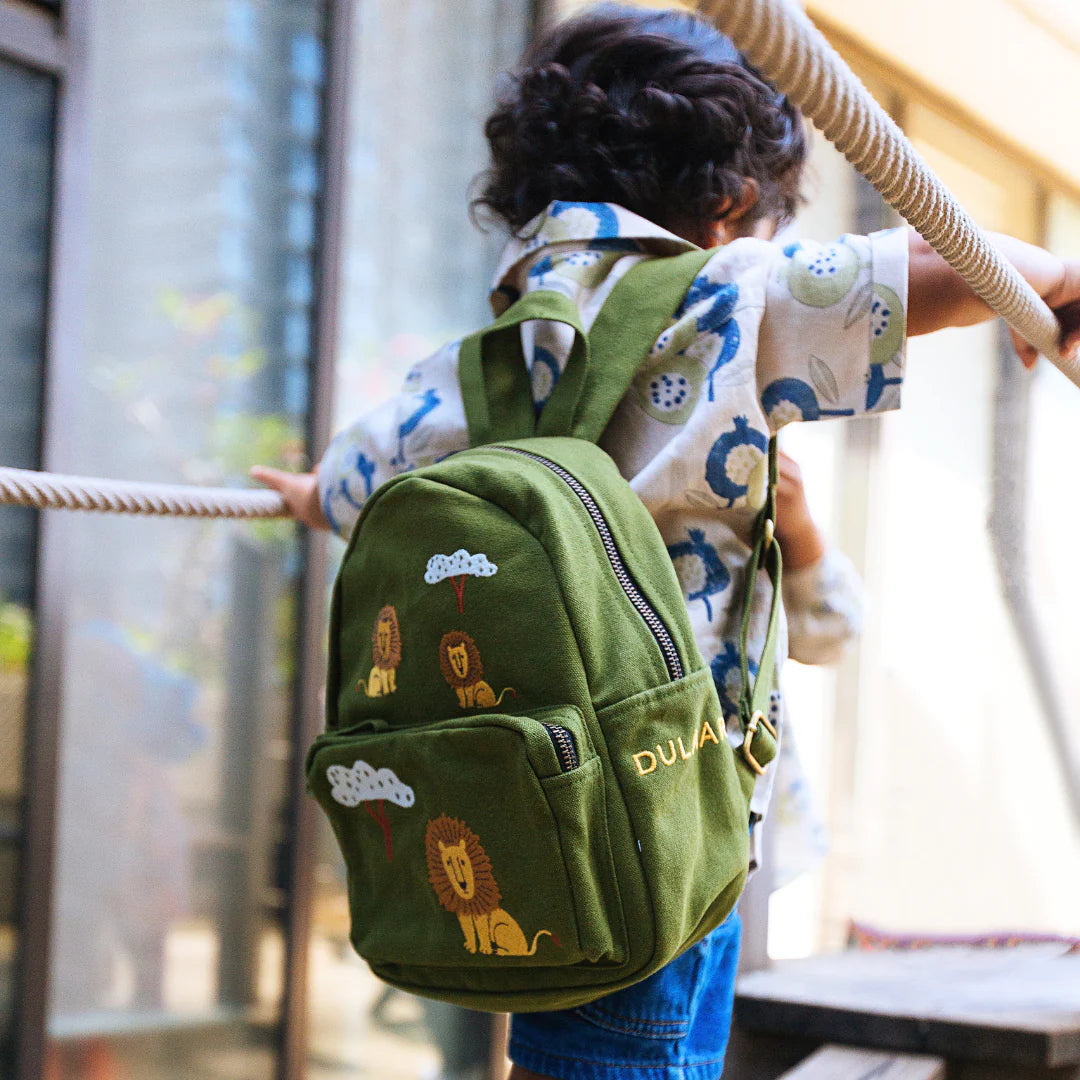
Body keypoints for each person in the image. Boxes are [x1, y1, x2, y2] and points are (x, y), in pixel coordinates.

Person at [254, 6, 1080, 1078]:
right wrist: (1048, 286)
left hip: (535, 813)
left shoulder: (462, 372)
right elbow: (936, 267)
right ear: (735, 204)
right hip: (668, 810)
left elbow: (354, 480)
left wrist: (307, 492)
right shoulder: (725, 300)